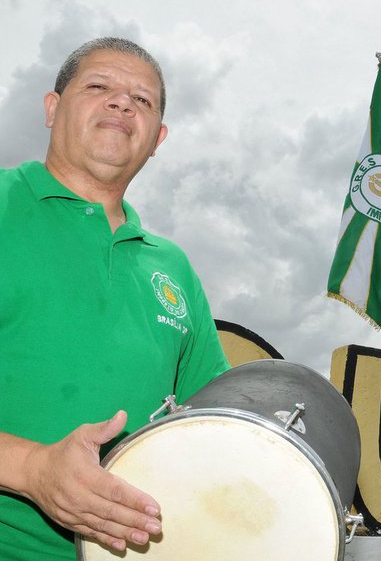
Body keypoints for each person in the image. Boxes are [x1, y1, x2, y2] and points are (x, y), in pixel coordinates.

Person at [0, 37, 229, 560]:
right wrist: (32, 469)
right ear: (52, 108)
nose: (123, 103)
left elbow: (207, 426)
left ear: (157, 139)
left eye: (142, 101)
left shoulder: (173, 267)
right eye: (99, 86)